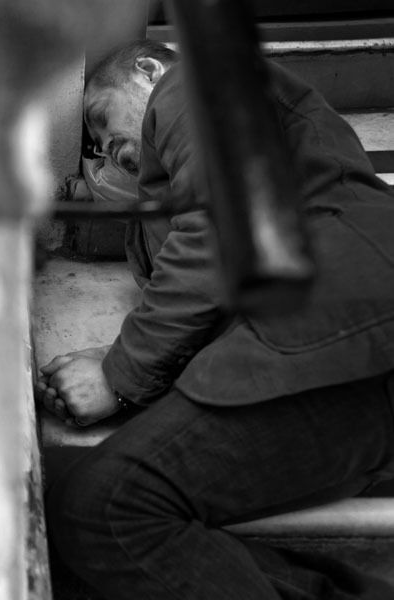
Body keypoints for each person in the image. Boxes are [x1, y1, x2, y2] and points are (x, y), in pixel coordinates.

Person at [39, 39, 394, 599]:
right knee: (90, 503)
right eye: (100, 149)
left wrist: (118, 374)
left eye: (103, 119)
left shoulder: (201, 85)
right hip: (334, 357)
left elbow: (211, 233)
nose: (108, 149)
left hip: (340, 320)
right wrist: (119, 365)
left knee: (104, 509)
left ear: (148, 69)